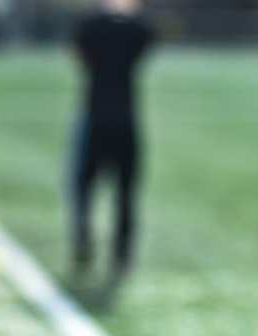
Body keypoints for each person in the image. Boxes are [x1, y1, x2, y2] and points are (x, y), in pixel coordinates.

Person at [70, 0, 154, 278]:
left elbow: (79, 55)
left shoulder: (89, 26)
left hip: (95, 117)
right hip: (126, 120)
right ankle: (122, 255)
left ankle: (83, 241)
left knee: (84, 186)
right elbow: (144, 42)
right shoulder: (137, 29)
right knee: (125, 193)